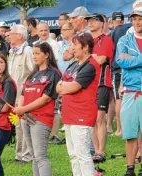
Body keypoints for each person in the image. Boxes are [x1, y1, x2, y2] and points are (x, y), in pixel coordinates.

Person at [14, 42, 61, 176]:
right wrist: (21, 108)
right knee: (34, 156)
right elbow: (23, 93)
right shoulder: (32, 74)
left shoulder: (53, 73)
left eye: (37, 53)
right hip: (25, 118)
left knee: (41, 156)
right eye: (33, 53)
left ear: (46, 55)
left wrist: (23, 109)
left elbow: (46, 98)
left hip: (41, 119)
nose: (34, 56)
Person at [56, 32, 100, 176]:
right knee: (73, 155)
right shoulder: (73, 65)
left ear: (86, 47)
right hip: (69, 114)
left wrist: (64, 85)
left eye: (75, 45)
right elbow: (58, 86)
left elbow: (75, 86)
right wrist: (64, 85)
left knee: (82, 154)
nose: (72, 48)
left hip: (83, 114)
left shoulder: (91, 65)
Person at [115, 8, 142, 176]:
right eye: (135, 19)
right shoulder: (125, 39)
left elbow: (127, 60)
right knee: (130, 133)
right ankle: (130, 168)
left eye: (140, 19)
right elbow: (121, 61)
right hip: (131, 91)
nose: (137, 22)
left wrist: (132, 59)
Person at [85, 13, 114, 162]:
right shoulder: (87, 40)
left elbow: (102, 59)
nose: (90, 23)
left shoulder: (106, 39)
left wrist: (88, 58)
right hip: (87, 83)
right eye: (88, 20)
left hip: (102, 82)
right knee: (91, 118)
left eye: (94, 20)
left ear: (102, 23)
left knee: (99, 118)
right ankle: (95, 150)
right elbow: (72, 56)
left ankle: (100, 151)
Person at [8, 24, 35, 163]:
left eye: (11, 33)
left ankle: (27, 155)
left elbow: (33, 71)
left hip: (24, 94)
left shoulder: (28, 51)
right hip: (14, 93)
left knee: (24, 124)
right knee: (17, 124)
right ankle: (19, 154)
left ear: (19, 35)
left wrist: (27, 90)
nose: (8, 35)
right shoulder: (12, 51)